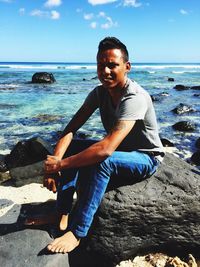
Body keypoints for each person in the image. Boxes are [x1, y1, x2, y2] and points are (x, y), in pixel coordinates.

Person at [43, 36, 164, 254]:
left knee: (102, 161)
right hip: (121, 150)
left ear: (127, 67)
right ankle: (61, 214)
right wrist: (55, 161)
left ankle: (78, 232)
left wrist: (60, 166)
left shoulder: (134, 97)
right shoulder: (99, 93)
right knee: (73, 147)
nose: (105, 71)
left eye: (112, 65)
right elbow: (70, 129)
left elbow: (106, 149)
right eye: (101, 65)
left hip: (146, 157)